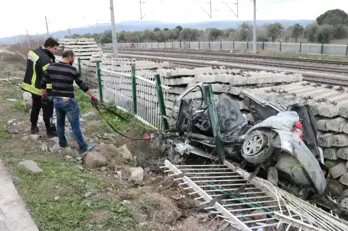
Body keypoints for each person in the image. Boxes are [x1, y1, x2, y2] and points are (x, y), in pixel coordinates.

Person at [41, 50, 97, 153]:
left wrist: (43, 94)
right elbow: (82, 85)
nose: (74, 59)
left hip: (57, 100)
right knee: (75, 125)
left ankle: (62, 143)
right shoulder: (72, 70)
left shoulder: (51, 67)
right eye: (74, 58)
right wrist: (92, 95)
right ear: (70, 57)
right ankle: (83, 147)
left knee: (60, 123)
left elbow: (43, 82)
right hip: (69, 101)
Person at [22, 37, 59, 137]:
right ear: (49, 47)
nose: (55, 51)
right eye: (55, 49)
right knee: (48, 110)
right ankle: (50, 131)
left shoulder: (34, 52)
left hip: (32, 85)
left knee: (36, 106)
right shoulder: (46, 60)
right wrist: (49, 90)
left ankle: (33, 126)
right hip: (43, 89)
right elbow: (47, 77)